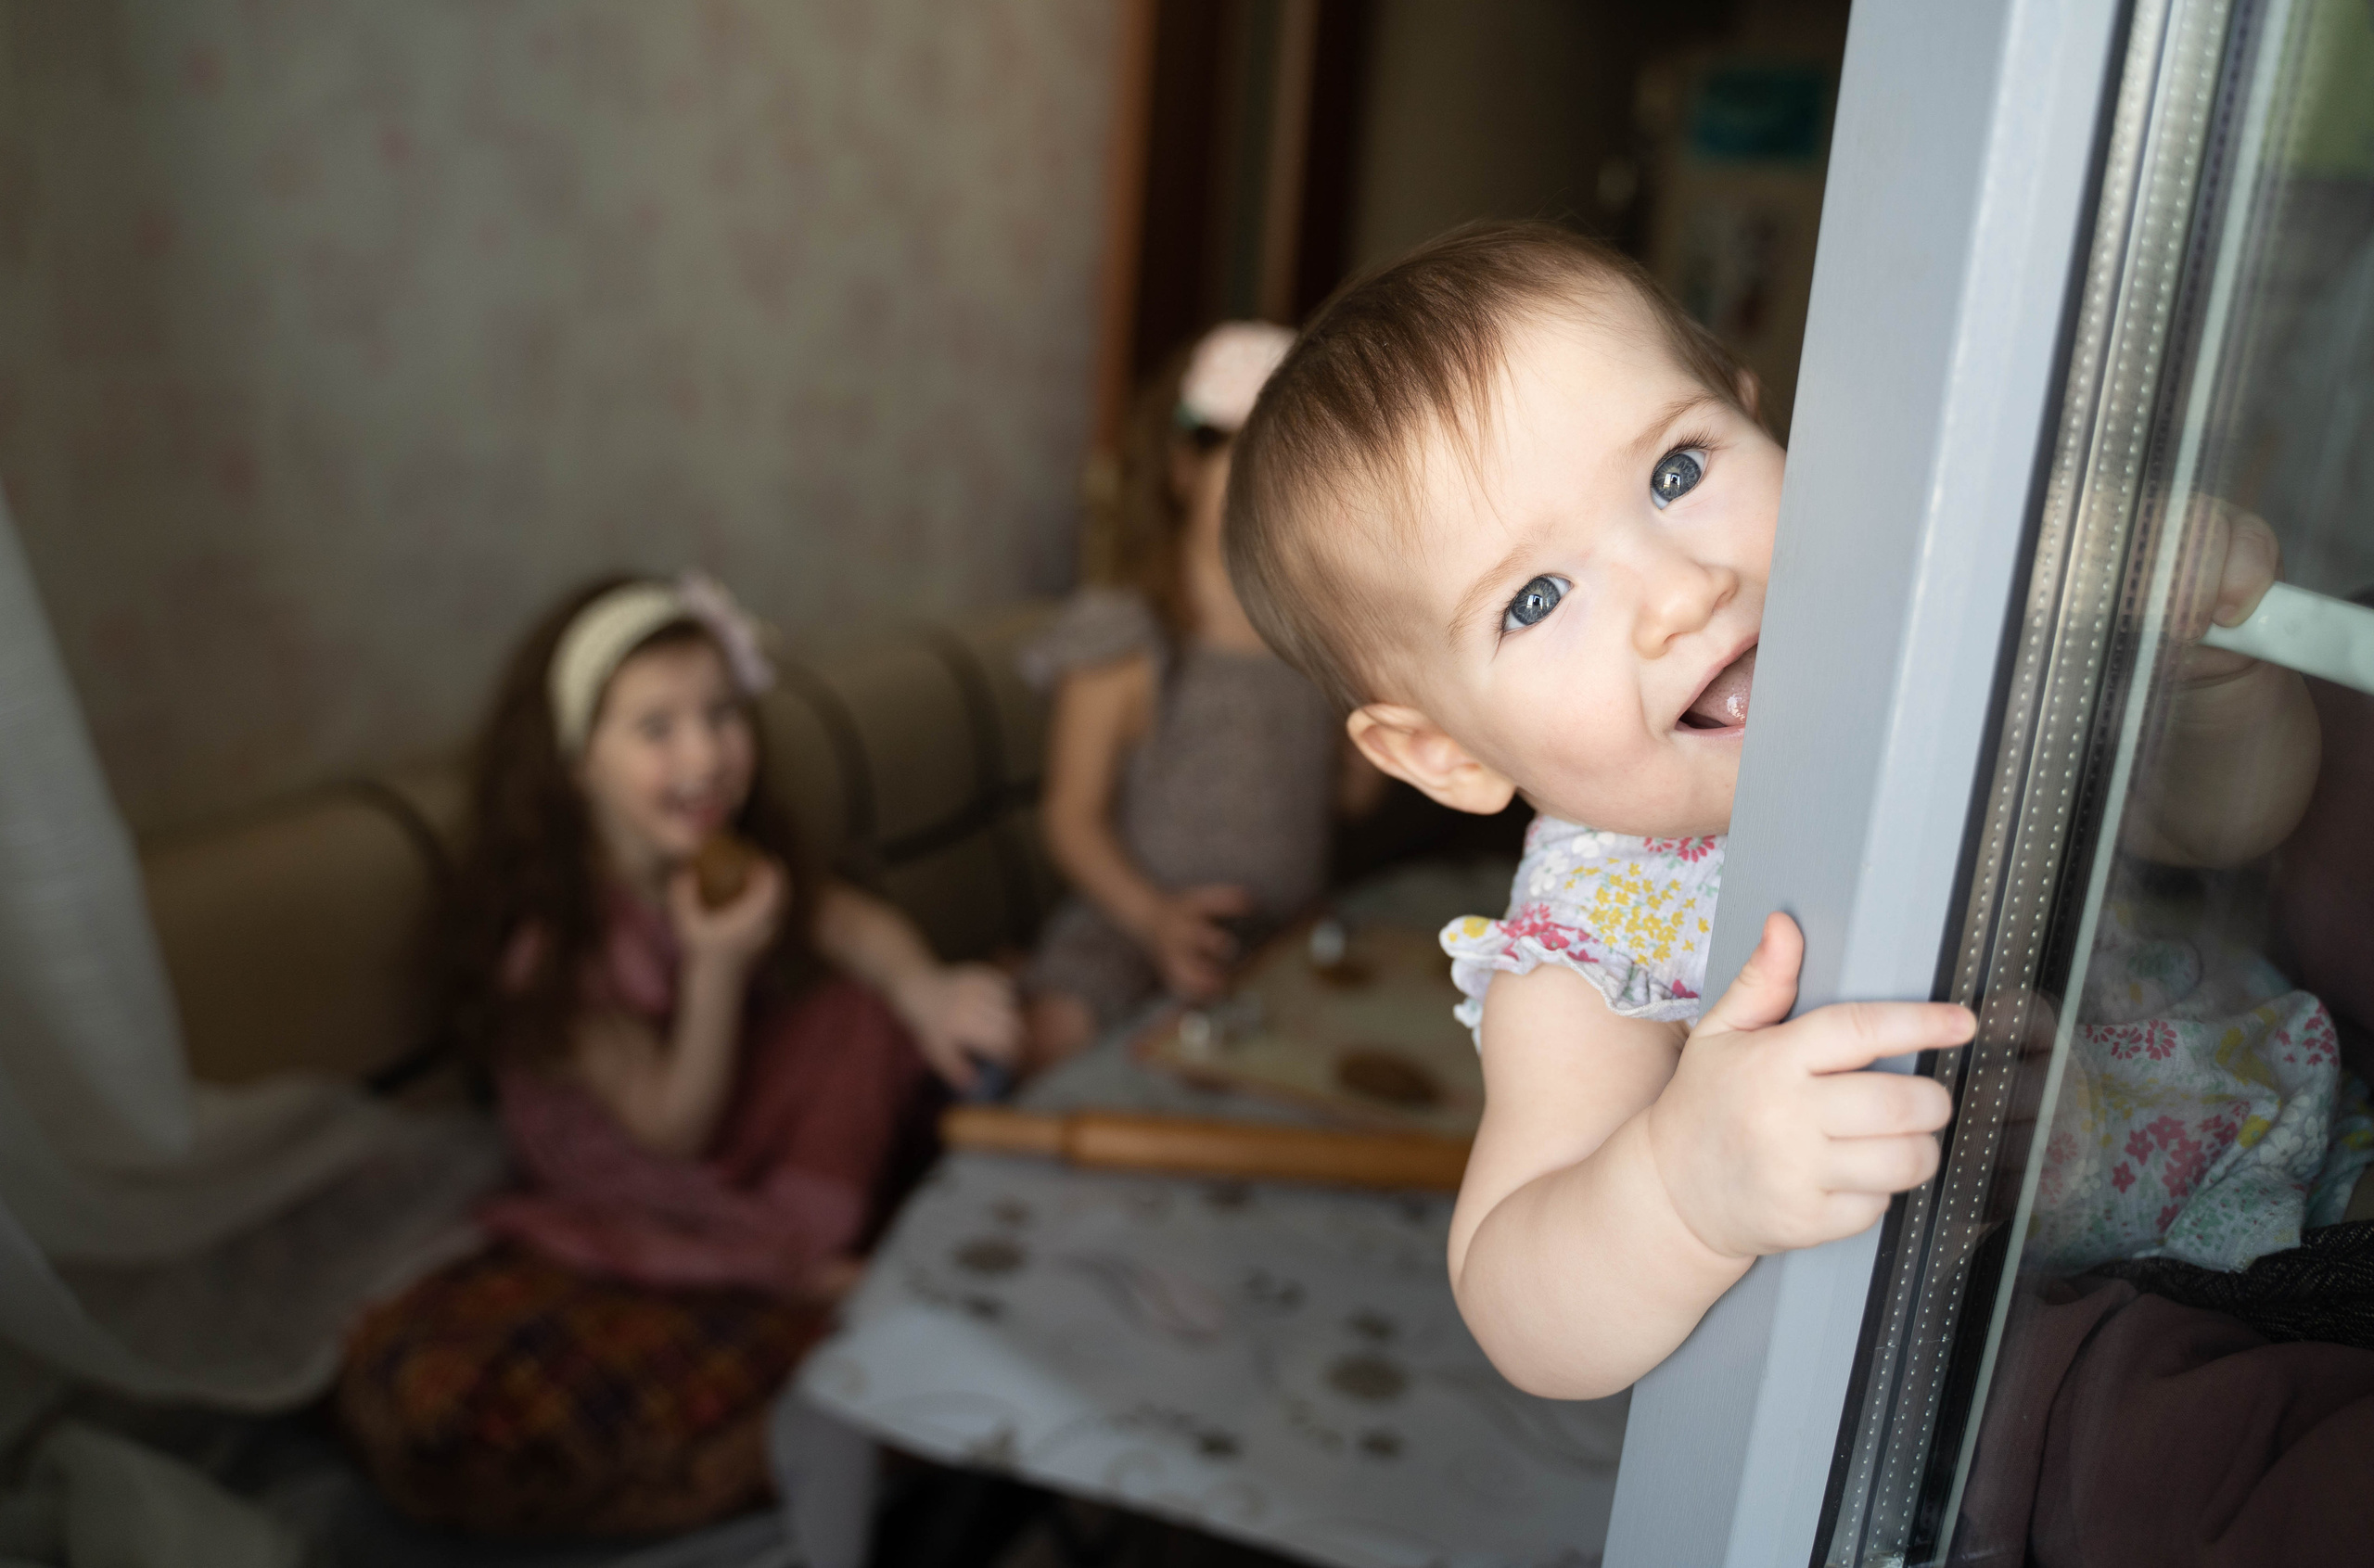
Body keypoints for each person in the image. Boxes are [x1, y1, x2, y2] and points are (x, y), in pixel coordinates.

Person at [1220, 220, 2328, 1401]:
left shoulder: (1927, 644)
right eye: (1536, 598)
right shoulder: (1595, 947)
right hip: (2111, 1352)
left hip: (2285, 1128)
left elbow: (2223, 828)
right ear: (1439, 754)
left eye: (1676, 474)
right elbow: (1514, 1302)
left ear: (1752, 410)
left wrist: (2206, 672)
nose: (1681, 593)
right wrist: (1681, 1186)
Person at [338, 572, 1022, 1536]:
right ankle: (797, 1260)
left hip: (733, 1109)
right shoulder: (553, 943)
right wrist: (711, 968)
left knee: (860, 1012)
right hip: (640, 1167)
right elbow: (669, 1127)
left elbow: (851, 925)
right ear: (577, 761)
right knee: (743, 1185)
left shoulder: (725, 854)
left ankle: (816, 1225)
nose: (704, 754)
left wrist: (923, 987)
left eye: (721, 714)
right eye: (655, 729)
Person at [1019, 322, 1384, 1065]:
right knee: (1059, 1028)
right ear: (1186, 468)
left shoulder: (1319, 635)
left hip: (1285, 934)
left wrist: (1383, 674)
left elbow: (1352, 799)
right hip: (1130, 922)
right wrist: (1154, 918)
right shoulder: (1129, 632)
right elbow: (1070, 817)